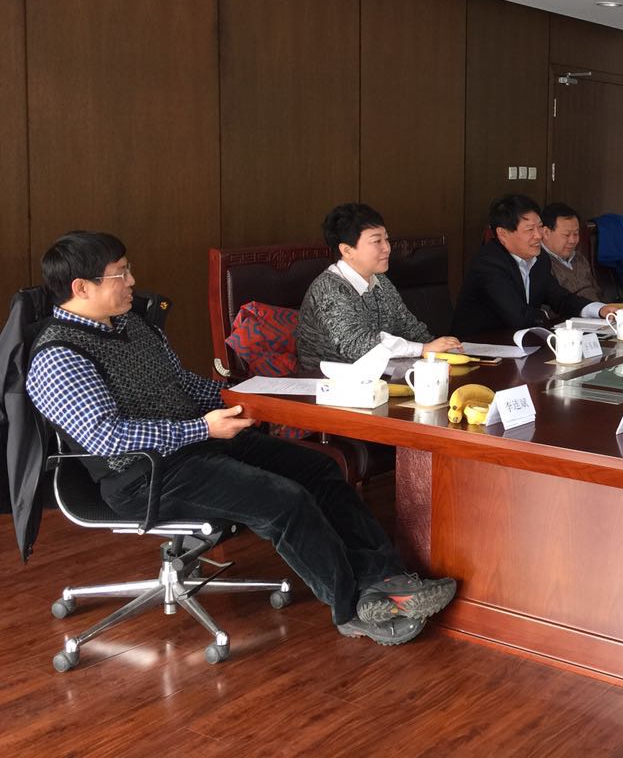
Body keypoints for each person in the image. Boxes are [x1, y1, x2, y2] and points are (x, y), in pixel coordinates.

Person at [26, 231, 456, 646]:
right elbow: (106, 436)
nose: (132, 281)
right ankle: (352, 608)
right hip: (145, 475)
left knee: (319, 469)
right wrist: (202, 428)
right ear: (81, 287)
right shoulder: (58, 356)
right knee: (284, 500)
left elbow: (182, 385)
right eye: (120, 273)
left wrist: (249, 396)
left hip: (201, 444)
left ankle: (385, 579)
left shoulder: (132, 325)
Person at [296, 203, 460, 369]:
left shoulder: (380, 280)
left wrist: (441, 350)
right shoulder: (328, 289)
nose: (387, 248)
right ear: (347, 250)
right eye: (376, 241)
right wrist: (423, 349)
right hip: (326, 380)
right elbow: (358, 345)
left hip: (378, 375)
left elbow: (408, 326)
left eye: (386, 239)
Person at [452, 194, 619, 337]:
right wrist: (550, 317)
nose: (539, 236)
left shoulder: (539, 259)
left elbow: (561, 298)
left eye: (539, 227)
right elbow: (518, 316)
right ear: (503, 234)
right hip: (478, 347)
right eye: (530, 230)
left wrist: (599, 310)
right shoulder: (489, 263)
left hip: (520, 343)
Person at [540, 202, 603, 307]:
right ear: (546, 233)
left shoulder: (579, 258)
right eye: (566, 235)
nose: (573, 240)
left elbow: (597, 293)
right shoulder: (539, 263)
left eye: (576, 234)